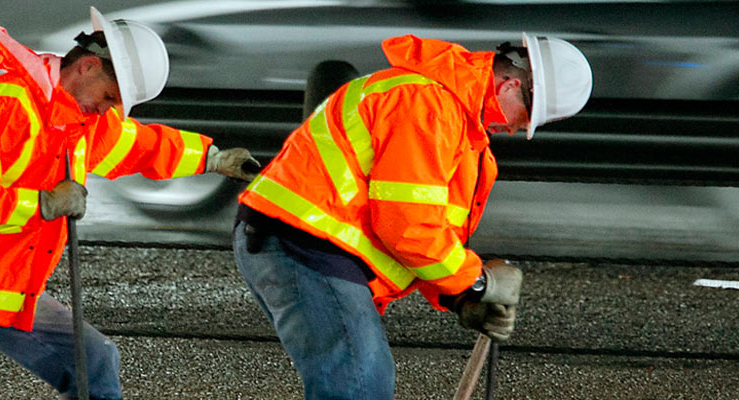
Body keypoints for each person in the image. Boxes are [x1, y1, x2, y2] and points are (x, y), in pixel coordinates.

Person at [0, 7, 258, 400]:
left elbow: (139, 145)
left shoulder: (78, 122)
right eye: (110, 96)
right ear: (87, 67)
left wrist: (211, 158)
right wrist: (45, 204)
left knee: (94, 362)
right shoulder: (2, 105)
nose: (109, 110)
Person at [232, 33, 593, 399]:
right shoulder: (428, 105)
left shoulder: (456, 125)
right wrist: (477, 283)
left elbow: (430, 234)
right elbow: (406, 225)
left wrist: (461, 298)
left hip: (303, 245)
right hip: (304, 245)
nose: (517, 129)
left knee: (359, 379)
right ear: (510, 86)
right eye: (526, 117)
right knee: (360, 385)